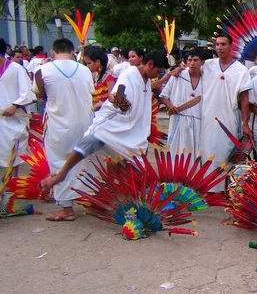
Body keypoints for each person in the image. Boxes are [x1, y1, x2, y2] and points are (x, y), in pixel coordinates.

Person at [39, 51, 168, 205]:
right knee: (88, 144)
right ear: (150, 64)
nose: (157, 75)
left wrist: (167, 77)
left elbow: (141, 91)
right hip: (112, 125)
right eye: (158, 72)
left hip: (132, 132)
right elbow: (115, 94)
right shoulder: (130, 74)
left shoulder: (145, 78)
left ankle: (127, 200)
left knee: (136, 168)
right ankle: (60, 176)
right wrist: (118, 100)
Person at [34, 38, 94, 221]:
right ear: (72, 51)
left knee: (59, 163)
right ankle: (92, 198)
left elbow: (39, 95)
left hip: (59, 124)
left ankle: (67, 209)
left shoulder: (42, 70)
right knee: (84, 162)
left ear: (53, 52)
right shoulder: (85, 70)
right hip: (85, 123)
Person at [199, 33, 251, 191]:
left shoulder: (241, 70)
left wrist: (245, 123)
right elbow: (190, 72)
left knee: (226, 152)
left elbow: (244, 99)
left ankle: (225, 189)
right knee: (207, 152)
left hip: (229, 116)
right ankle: (208, 189)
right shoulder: (207, 65)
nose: (219, 48)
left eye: (223, 44)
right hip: (207, 115)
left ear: (231, 47)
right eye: (217, 44)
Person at [159, 48, 208, 157]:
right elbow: (164, 96)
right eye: (189, 60)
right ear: (185, 62)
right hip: (179, 119)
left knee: (195, 152)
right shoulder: (178, 76)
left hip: (198, 121)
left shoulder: (207, 78)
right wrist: (170, 106)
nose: (192, 63)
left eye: (196, 60)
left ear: (202, 62)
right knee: (177, 151)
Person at [0, 38, 35, 177]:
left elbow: (27, 93)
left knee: (13, 154)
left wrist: (15, 106)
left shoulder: (16, 69)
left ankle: (12, 186)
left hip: (14, 120)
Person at [84, 46, 116, 111]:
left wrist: (99, 105)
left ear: (98, 62)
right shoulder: (96, 75)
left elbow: (113, 101)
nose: (87, 66)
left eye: (89, 63)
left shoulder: (109, 76)